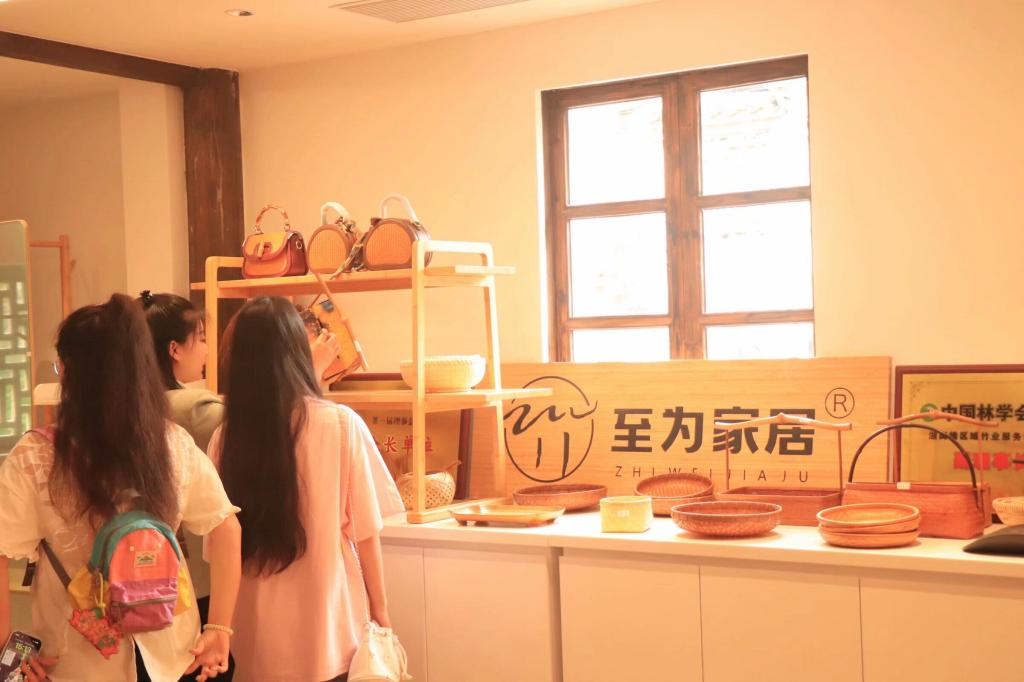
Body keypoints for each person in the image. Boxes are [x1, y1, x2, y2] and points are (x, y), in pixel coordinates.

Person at [0, 294, 242, 682]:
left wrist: (6, 652)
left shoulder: (37, 456)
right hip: (171, 651)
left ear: (71, 373)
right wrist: (219, 628)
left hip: (78, 660)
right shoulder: (171, 443)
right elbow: (227, 528)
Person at [210, 297, 403, 682]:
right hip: (329, 628)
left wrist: (218, 628)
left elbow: (219, 549)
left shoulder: (225, 438)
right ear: (297, 350)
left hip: (254, 635)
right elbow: (366, 533)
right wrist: (381, 611)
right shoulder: (341, 425)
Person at [138, 291, 342, 452]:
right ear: (174, 349)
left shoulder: (143, 402)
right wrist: (311, 371)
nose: (207, 349)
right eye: (201, 339)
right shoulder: (194, 409)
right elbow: (278, 434)